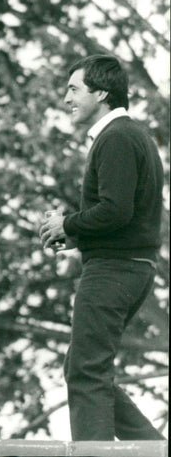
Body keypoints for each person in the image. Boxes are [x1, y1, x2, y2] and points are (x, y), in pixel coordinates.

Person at [39, 55, 165, 441]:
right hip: (126, 265)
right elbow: (119, 212)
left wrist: (68, 223)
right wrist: (74, 233)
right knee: (85, 368)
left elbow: (115, 210)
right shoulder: (124, 136)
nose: (66, 99)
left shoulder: (118, 137)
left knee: (86, 372)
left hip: (115, 269)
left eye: (74, 89)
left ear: (102, 93)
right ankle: (154, 450)